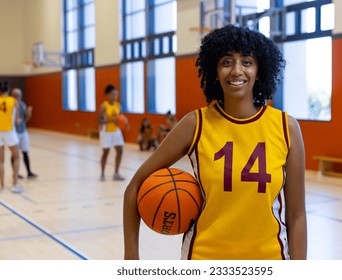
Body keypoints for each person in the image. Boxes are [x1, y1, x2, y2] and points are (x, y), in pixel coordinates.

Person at [123, 25, 307, 260]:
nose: (236, 71)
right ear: (215, 70)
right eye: (227, 62)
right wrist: (131, 258)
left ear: (260, 70)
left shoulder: (286, 127)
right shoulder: (195, 124)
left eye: (247, 62)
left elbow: (296, 214)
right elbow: (135, 187)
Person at [98, 84, 129, 181]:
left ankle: (116, 173)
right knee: (106, 152)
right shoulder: (104, 107)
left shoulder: (118, 106)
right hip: (106, 131)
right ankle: (102, 174)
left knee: (120, 150)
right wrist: (112, 121)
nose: (115, 96)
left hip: (116, 131)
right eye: (112, 94)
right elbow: (99, 121)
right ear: (107, 95)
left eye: (116, 94)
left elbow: (122, 118)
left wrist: (126, 123)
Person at [0, 82, 24, 193]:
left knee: (1, 161)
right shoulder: (14, 101)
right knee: (16, 157)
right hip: (9, 132)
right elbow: (16, 120)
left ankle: (2, 187)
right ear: (8, 90)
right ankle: (14, 185)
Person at [10, 88, 38, 179]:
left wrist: (29, 113)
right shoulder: (11, 106)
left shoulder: (22, 105)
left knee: (25, 152)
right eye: (15, 95)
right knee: (15, 154)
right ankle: (15, 173)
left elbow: (25, 119)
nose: (17, 97)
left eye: (18, 95)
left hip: (23, 132)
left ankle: (29, 172)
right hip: (14, 132)